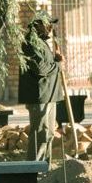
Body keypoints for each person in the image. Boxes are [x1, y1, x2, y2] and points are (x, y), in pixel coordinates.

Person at [18, 14, 63, 162]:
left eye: (51, 25)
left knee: (49, 134)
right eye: (47, 24)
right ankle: (34, 170)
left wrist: (56, 59)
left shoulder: (42, 43)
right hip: (39, 96)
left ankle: (45, 169)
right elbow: (40, 68)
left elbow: (48, 65)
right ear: (37, 25)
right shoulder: (30, 43)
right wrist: (57, 65)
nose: (50, 28)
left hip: (50, 94)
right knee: (40, 135)